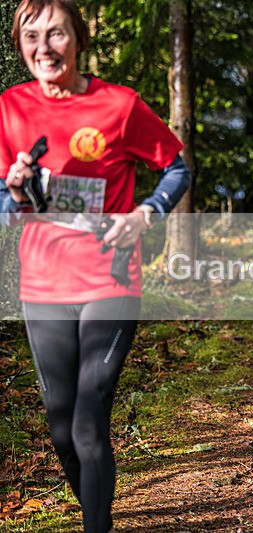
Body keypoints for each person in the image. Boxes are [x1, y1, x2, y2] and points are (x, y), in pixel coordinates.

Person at [0, 1, 190, 532]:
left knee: (88, 422)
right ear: (19, 46)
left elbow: (176, 168)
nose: (44, 48)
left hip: (111, 277)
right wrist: (15, 192)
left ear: (78, 39)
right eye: (31, 36)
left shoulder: (119, 106)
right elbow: (5, 203)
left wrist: (145, 214)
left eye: (56, 34)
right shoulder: (10, 108)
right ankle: (95, 509)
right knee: (62, 430)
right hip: (43, 283)